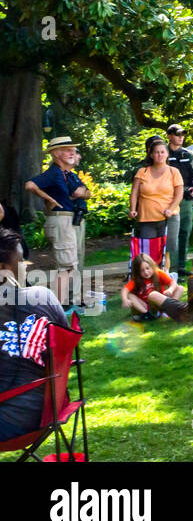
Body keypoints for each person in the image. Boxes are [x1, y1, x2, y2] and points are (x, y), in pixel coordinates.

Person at [0, 228, 70, 443]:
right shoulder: (44, 296)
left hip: (8, 419)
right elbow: (66, 348)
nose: (26, 270)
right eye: (21, 263)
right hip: (49, 411)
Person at [25, 138, 89, 310]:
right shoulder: (53, 173)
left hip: (70, 220)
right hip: (61, 220)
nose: (72, 153)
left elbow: (85, 192)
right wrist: (48, 199)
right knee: (66, 265)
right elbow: (30, 185)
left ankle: (73, 301)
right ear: (55, 154)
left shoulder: (66, 174)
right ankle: (60, 305)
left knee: (73, 263)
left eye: (73, 150)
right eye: (67, 150)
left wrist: (80, 193)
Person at [130, 136, 184, 270]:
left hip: (168, 218)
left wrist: (171, 209)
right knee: (148, 252)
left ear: (167, 154)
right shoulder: (142, 172)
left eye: (162, 152)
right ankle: (150, 279)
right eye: (156, 152)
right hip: (147, 218)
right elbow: (134, 193)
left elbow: (179, 194)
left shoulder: (174, 172)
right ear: (151, 154)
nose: (159, 155)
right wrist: (132, 209)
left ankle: (164, 278)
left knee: (166, 252)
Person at [159, 125, 193, 277]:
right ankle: (171, 268)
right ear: (169, 136)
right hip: (168, 201)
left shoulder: (188, 155)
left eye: (183, 134)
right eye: (177, 135)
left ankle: (181, 266)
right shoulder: (163, 154)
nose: (181, 137)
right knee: (171, 235)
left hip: (186, 200)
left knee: (184, 232)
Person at [120, 252, 182, 322]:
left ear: (152, 266)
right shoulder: (136, 279)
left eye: (147, 268)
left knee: (180, 288)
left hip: (160, 302)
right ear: (137, 272)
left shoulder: (158, 273)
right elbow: (125, 289)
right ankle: (147, 314)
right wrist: (125, 300)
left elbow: (172, 282)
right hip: (146, 306)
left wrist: (170, 289)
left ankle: (170, 309)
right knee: (130, 295)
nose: (146, 272)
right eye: (142, 270)